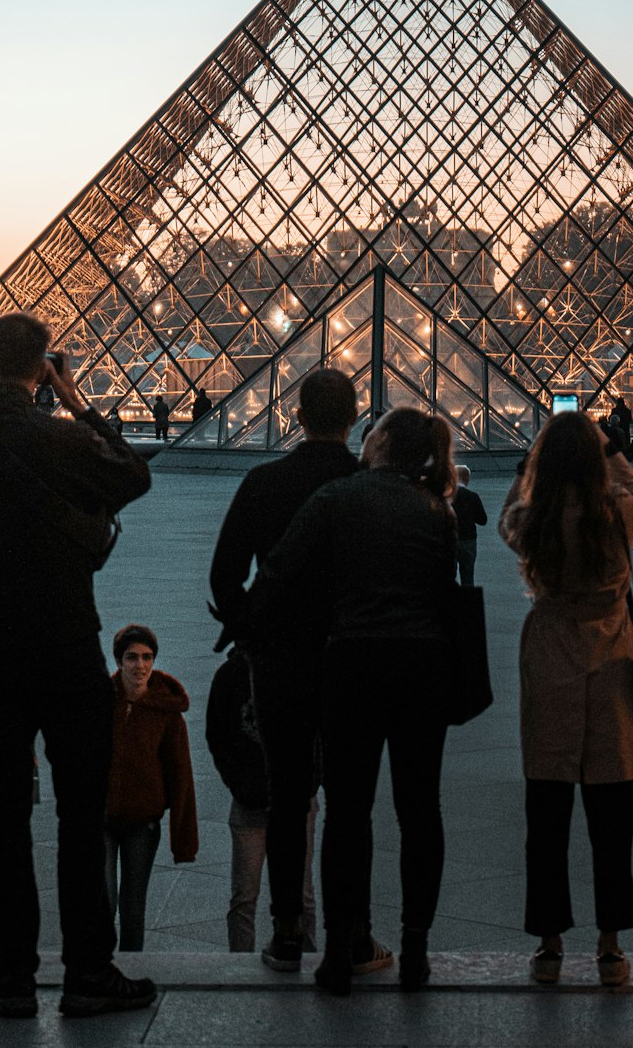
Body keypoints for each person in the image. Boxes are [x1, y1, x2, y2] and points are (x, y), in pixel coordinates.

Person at [0, 312, 154, 1019]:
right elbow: (135, 476)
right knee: (83, 818)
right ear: (43, 369)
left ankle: (13, 974)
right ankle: (88, 969)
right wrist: (81, 402)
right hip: (65, 650)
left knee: (8, 818)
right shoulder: (64, 438)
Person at [249, 408, 458, 995]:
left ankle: (338, 954)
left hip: (352, 663)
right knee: (422, 811)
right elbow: (446, 593)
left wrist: (248, 628)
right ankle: (415, 951)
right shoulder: (437, 509)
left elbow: (280, 570)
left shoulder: (336, 498)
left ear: (382, 442)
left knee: (347, 813)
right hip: (423, 667)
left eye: (373, 431)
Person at [209, 368, 388, 977]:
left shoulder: (263, 482)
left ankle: (286, 934)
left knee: (287, 799)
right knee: (350, 804)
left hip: (280, 662)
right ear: (356, 415)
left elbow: (223, 578)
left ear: (296, 412)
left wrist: (254, 638)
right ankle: (351, 936)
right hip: (354, 660)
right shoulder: (368, 484)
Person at [500, 413, 633, 987]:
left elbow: (506, 515)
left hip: (550, 658)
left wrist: (533, 461)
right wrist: (607, 447)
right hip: (613, 659)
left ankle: (549, 944)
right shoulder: (617, 514)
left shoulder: (531, 520)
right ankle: (610, 948)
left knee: (547, 814)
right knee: (613, 815)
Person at [206, 646, 318, 953]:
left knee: (302, 894)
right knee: (246, 896)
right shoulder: (230, 676)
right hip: (251, 801)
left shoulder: (296, 668)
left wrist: (309, 784)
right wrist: (240, 786)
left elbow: (317, 731)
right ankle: (243, 963)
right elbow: (217, 735)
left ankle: (304, 957)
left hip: (295, 799)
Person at [105, 625, 198, 951]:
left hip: (142, 823)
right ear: (118, 661)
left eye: (147, 657)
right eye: (132, 657)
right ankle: (102, 965)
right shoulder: (101, 702)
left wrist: (183, 838)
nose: (140, 665)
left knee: (133, 906)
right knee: (104, 900)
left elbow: (180, 774)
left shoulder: (166, 712)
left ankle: (131, 966)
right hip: (102, 819)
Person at [452, 464, 487, 588]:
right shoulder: (472, 496)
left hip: (450, 540)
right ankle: (468, 605)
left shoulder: (446, 496)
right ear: (467, 479)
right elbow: (483, 520)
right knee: (468, 577)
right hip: (468, 541)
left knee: (449, 576)